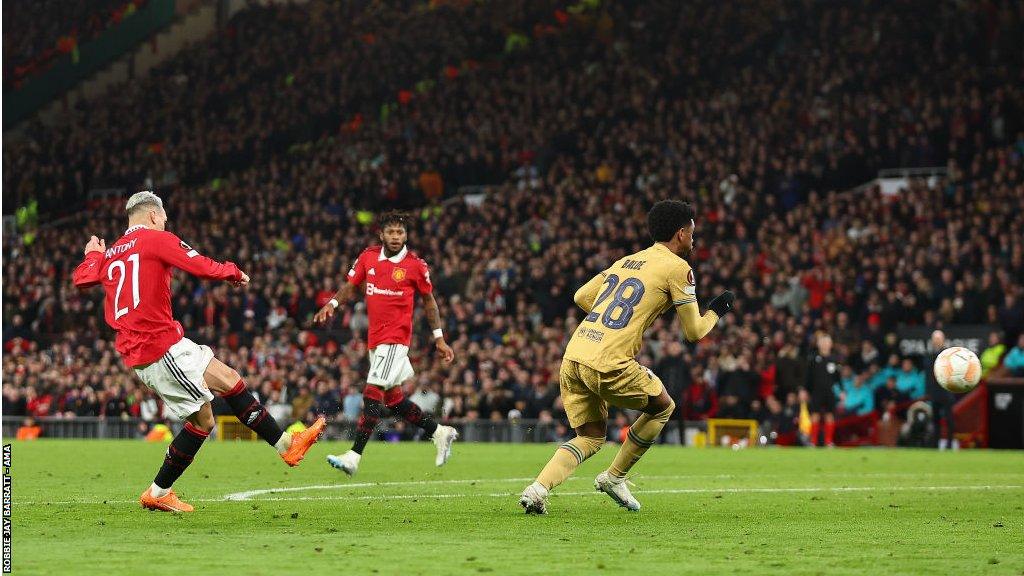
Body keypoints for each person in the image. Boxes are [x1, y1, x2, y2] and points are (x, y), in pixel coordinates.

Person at [72, 191, 325, 513]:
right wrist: (232, 272)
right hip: (158, 345)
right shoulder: (155, 239)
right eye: (164, 219)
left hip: (153, 344)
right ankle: (283, 448)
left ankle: (286, 445)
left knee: (223, 390)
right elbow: (198, 264)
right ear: (153, 215)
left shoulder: (111, 255)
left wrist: (93, 255)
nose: (165, 224)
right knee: (212, 409)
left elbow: (82, 279)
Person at [519, 200, 734, 514]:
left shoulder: (627, 260)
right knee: (663, 407)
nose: (693, 239)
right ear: (680, 234)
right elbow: (694, 332)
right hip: (608, 361)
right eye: (691, 232)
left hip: (575, 354)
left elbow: (581, 296)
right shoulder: (678, 268)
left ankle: (536, 490)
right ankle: (614, 477)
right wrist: (718, 309)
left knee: (590, 437)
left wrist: (614, 321)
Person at [315, 210, 458, 476]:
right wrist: (333, 303)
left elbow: (429, 302)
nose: (395, 237)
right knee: (393, 400)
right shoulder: (368, 257)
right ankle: (439, 432)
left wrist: (439, 338)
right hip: (375, 340)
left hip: (396, 339)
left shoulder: (416, 266)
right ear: (382, 234)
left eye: (400, 232)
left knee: (372, 392)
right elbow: (350, 285)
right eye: (391, 232)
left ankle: (354, 456)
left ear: (406, 235)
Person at [805, 333, 840, 447]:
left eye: (827, 342)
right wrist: (805, 390)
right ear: (819, 344)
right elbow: (808, 376)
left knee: (830, 416)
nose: (825, 344)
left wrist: (842, 391)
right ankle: (813, 442)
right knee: (815, 415)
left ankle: (828, 441)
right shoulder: (814, 358)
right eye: (823, 342)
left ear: (831, 344)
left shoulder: (834, 359)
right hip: (816, 391)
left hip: (829, 392)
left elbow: (838, 378)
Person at [925, 330, 957, 449]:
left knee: (949, 419)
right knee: (935, 420)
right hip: (934, 392)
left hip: (946, 391)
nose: (936, 342)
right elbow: (928, 376)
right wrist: (928, 392)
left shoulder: (948, 355)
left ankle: (949, 444)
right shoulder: (929, 355)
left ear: (943, 340)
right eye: (935, 339)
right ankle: (935, 444)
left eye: (939, 339)